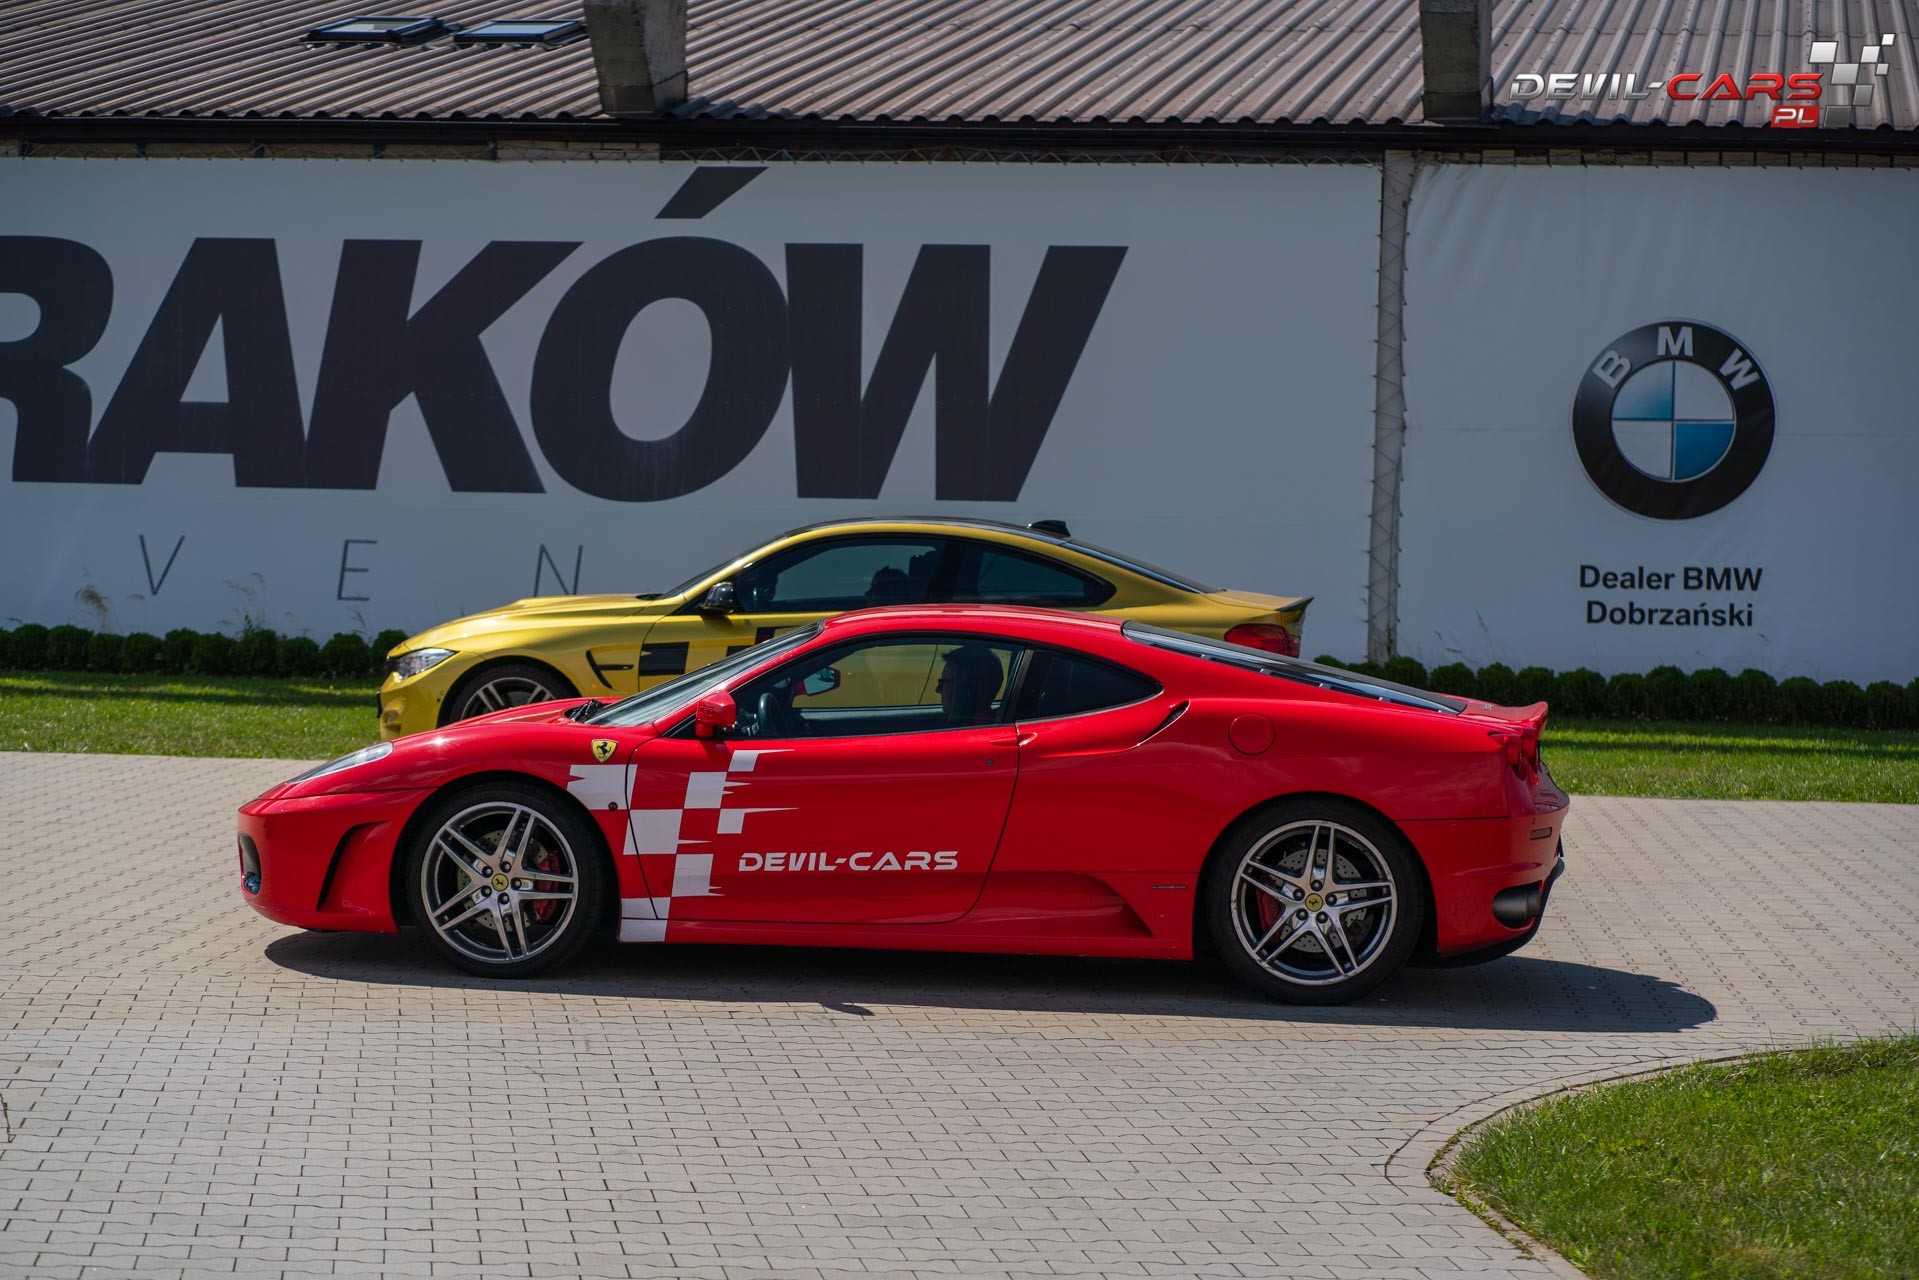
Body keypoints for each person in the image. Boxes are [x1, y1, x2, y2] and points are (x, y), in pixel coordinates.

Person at [937, 646, 1003, 726]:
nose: (937, 689)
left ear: (966, 688)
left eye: (942, 683)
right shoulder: (992, 722)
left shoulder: (976, 728)